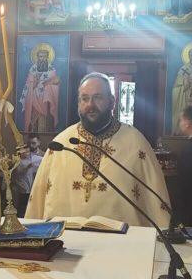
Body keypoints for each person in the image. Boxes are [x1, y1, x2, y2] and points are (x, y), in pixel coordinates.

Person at [26, 73, 170, 227]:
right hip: (65, 238)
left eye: (98, 97)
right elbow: (38, 201)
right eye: (84, 98)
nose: (90, 104)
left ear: (112, 102)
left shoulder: (136, 143)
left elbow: (155, 202)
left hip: (122, 239)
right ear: (78, 103)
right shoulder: (61, 144)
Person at [20, 44, 60, 133]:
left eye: (44, 56)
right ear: (37, 57)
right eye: (40, 56)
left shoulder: (51, 69)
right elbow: (28, 84)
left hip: (46, 99)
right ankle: (32, 133)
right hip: (34, 98)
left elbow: (55, 83)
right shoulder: (33, 69)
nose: (42, 58)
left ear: (47, 58)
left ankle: (46, 133)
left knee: (45, 121)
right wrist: (34, 82)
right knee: (34, 120)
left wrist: (48, 85)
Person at [176, 105, 192, 226]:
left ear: (187, 123)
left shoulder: (191, 148)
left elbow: (187, 180)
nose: (180, 123)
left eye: (181, 120)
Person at [12, 146, 43, 218]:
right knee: (23, 200)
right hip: (22, 184)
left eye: (28, 152)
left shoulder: (30, 160)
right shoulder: (18, 161)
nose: (27, 154)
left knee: (29, 199)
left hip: (29, 183)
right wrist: (28, 167)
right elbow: (19, 172)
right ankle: (21, 215)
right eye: (25, 152)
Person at [172, 43, 192, 133]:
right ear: (189, 57)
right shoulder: (183, 70)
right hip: (187, 98)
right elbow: (177, 87)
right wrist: (186, 82)